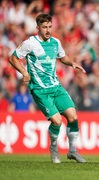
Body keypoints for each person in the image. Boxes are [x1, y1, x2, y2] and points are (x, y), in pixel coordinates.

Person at [8, 13, 87, 163]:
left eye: (50, 26)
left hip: (56, 87)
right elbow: (13, 58)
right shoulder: (30, 43)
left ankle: (72, 151)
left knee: (73, 116)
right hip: (40, 89)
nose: (48, 30)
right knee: (57, 121)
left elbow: (62, 57)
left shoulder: (55, 42)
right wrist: (24, 72)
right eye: (44, 27)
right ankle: (54, 148)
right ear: (38, 28)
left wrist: (72, 63)